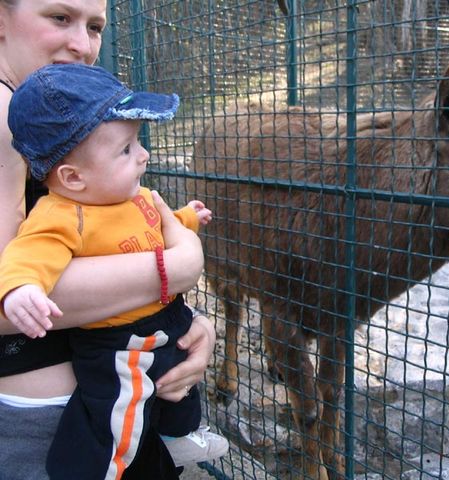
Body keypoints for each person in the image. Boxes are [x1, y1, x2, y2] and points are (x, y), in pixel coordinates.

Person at [0, 1, 221, 479]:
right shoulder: (4, 113)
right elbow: (12, 287)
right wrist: (176, 268)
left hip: (122, 382)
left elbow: (125, 236)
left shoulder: (70, 124)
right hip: (47, 425)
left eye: (96, 26)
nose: (83, 45)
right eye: (59, 17)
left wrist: (187, 325)